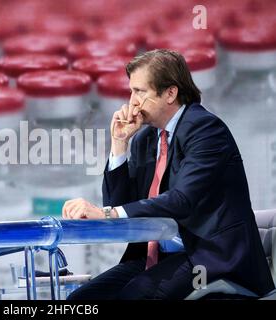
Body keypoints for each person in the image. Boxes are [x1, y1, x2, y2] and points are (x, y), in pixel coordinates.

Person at [62, 49, 275, 300]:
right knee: (81, 300)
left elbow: (181, 200)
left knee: (135, 296)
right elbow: (118, 204)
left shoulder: (206, 130)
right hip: (157, 256)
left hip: (208, 257)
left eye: (140, 92)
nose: (132, 102)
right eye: (131, 91)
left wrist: (105, 213)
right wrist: (119, 144)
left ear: (170, 93)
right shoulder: (146, 138)